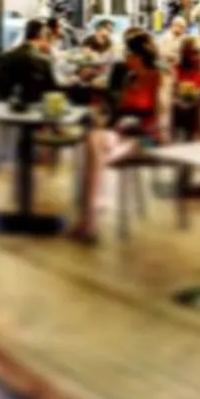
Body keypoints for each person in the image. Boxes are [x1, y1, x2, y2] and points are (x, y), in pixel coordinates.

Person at [73, 31, 166, 243]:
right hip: (123, 135)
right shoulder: (129, 77)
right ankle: (91, 215)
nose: (125, 59)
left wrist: (158, 136)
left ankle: (90, 219)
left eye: (128, 55)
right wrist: (103, 122)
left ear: (138, 56)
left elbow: (161, 115)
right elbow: (118, 113)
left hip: (146, 138)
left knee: (95, 153)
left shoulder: (157, 77)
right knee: (93, 139)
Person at [0, 18, 58, 105]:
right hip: (35, 110)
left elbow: (0, 89)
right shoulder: (42, 60)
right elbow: (52, 91)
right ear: (40, 36)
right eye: (46, 36)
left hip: (6, 109)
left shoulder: (6, 56)